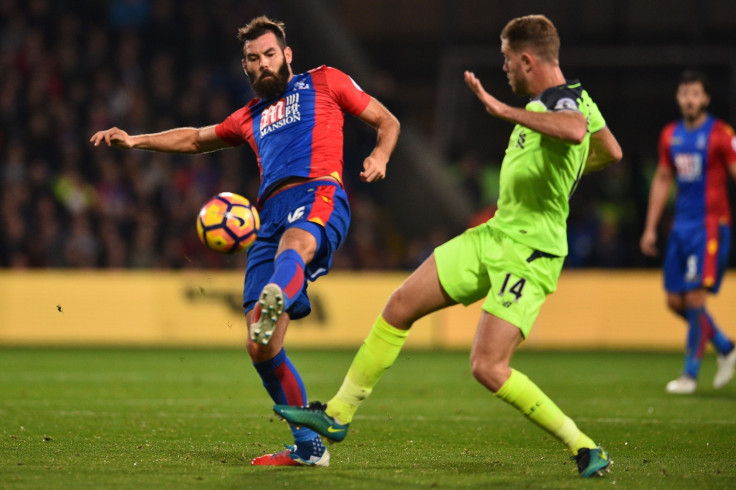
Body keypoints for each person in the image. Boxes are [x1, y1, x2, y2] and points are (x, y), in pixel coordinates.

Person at [275, 14, 622, 478]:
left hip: (531, 250)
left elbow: (577, 131)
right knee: (399, 306)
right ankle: (337, 414)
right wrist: (570, 172)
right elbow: (609, 149)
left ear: (526, 59)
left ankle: (584, 446)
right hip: (495, 234)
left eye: (506, 61)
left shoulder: (560, 102)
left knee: (488, 366)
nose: (504, 69)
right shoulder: (571, 101)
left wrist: (505, 112)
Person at [90, 16, 400, 466]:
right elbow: (195, 138)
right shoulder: (248, 117)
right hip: (265, 218)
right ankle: (309, 449)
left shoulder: (326, 81)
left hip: (318, 192)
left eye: (270, 54)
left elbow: (386, 120)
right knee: (261, 345)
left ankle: (280, 289)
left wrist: (380, 154)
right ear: (246, 67)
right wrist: (135, 140)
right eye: (253, 60)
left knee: (296, 244)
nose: (263, 64)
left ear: (287, 55)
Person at [640, 70, 736, 395]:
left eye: (696, 93)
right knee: (674, 301)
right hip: (681, 226)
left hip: (710, 227)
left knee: (695, 298)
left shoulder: (722, 134)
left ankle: (690, 375)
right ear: (678, 98)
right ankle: (725, 346)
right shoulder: (670, 135)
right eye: (684, 93)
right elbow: (663, 178)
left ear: (706, 98)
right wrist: (651, 227)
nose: (689, 99)